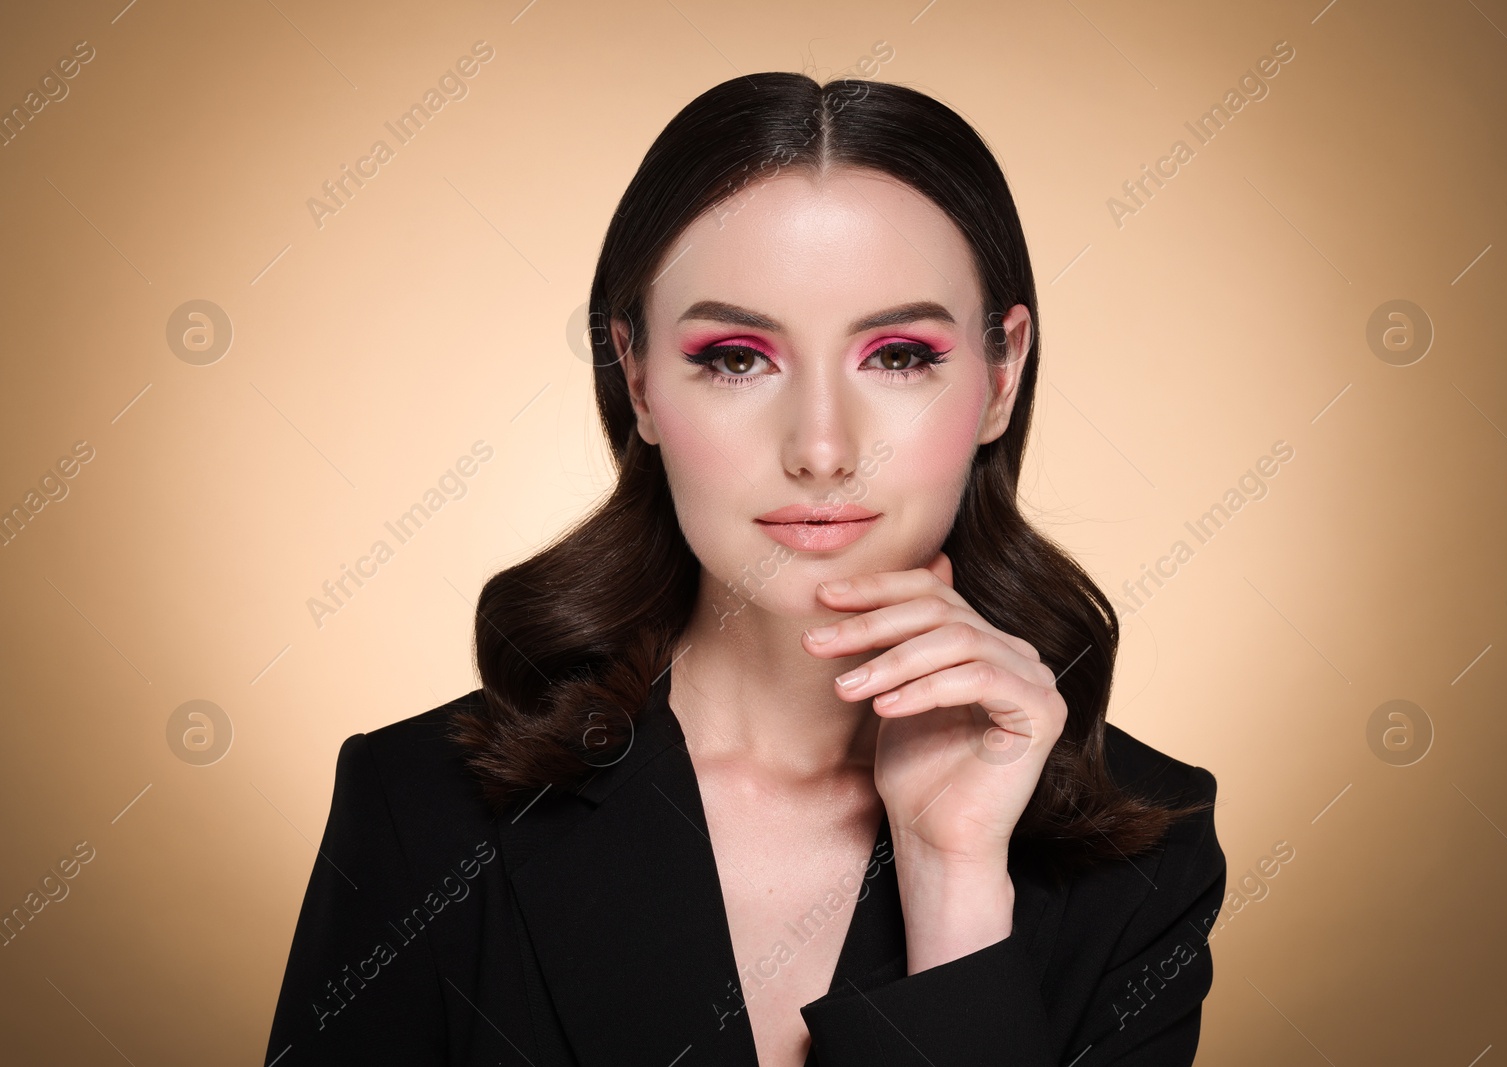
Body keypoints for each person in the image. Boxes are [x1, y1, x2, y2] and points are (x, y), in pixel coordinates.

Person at [263, 72, 1226, 1067]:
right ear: (636, 376)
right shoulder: (420, 805)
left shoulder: (1145, 860)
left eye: (897, 354)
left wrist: (953, 880)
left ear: (1001, 374)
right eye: (734, 357)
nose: (819, 447)